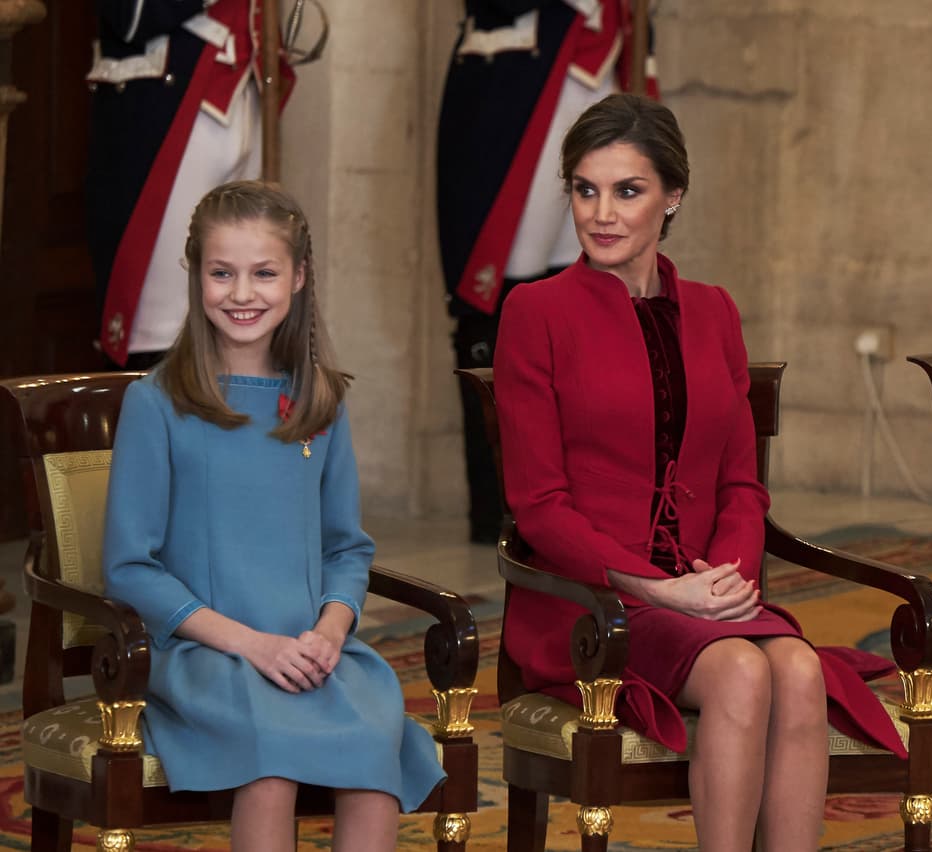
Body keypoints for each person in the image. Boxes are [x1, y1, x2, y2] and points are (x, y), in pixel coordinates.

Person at [493, 93, 904, 851]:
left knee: (800, 672)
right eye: (585, 190)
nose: (601, 214)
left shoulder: (715, 311)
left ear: (673, 196)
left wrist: (723, 581)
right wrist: (658, 589)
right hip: (593, 602)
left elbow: (742, 486)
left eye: (628, 191)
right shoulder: (535, 312)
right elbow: (539, 506)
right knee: (744, 673)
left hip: (706, 589)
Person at [102, 181, 442, 851]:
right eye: (221, 273)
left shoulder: (322, 402)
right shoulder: (156, 404)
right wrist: (254, 645)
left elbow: (346, 548)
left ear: (299, 276)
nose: (241, 293)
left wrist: (330, 632)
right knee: (270, 765)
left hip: (310, 650)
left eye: (264, 273)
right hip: (206, 655)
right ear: (195, 273)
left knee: (374, 753)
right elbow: (129, 568)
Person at [437, 0, 655, 543]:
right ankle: (500, 506)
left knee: (597, 296)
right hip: (519, 81)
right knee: (501, 305)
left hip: (598, 81)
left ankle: (591, 497)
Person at [88, 0, 296, 369]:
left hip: (243, 90)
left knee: (243, 312)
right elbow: (129, 15)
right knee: (163, 325)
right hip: (166, 100)